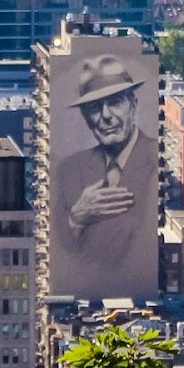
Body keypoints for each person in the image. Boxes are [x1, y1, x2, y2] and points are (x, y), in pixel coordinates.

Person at [52, 50, 152, 277]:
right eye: (94, 108)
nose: (105, 116)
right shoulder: (69, 170)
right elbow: (63, 248)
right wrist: (77, 217)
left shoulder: (155, 160)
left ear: (133, 105)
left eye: (115, 102)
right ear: (86, 117)